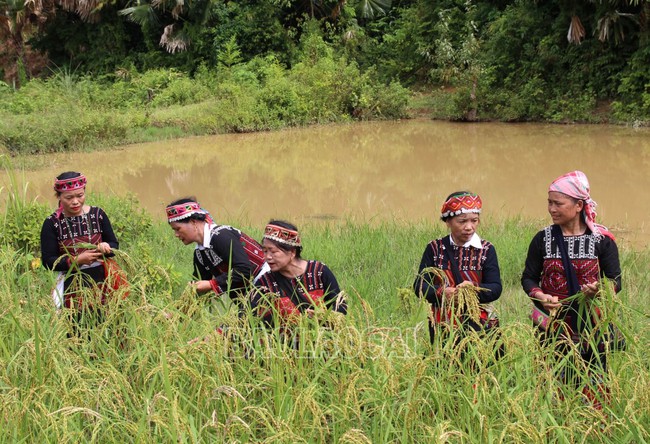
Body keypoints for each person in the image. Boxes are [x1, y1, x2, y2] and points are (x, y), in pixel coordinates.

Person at [521, 170, 622, 409]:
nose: (552, 209)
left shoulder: (602, 240)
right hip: (552, 326)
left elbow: (615, 280)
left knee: (595, 381)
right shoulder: (541, 239)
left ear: (578, 205)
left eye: (558, 203)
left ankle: (594, 424)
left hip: (592, 326)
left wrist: (600, 290)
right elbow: (528, 278)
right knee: (554, 381)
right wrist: (540, 296)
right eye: (549, 203)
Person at [413, 191, 502, 348]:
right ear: (448, 222)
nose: (469, 227)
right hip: (443, 324)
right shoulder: (434, 248)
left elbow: (495, 288)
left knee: (479, 365)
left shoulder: (487, 250)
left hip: (479, 323)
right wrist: (442, 293)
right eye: (462, 221)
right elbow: (420, 285)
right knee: (444, 365)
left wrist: (473, 288)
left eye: (474, 221)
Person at [40, 171, 120, 320]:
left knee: (109, 321)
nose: (75, 201)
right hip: (72, 282)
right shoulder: (51, 223)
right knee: (77, 327)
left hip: (103, 279)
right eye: (69, 197)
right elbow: (48, 261)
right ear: (59, 197)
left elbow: (114, 245)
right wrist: (77, 260)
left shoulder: (98, 215)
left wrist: (106, 247)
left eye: (80, 195)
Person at [166, 197, 266, 313]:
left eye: (178, 229)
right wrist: (176, 314)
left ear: (193, 222)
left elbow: (244, 269)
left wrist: (211, 284)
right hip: (250, 300)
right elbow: (198, 289)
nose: (176, 235)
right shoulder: (200, 253)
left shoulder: (221, 236)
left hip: (269, 286)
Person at [250, 220, 347, 325]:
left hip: (321, 339)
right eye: (265, 251)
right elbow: (250, 319)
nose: (267, 257)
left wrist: (323, 317)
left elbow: (341, 309)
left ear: (292, 252)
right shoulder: (264, 283)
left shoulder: (319, 272)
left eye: (273, 252)